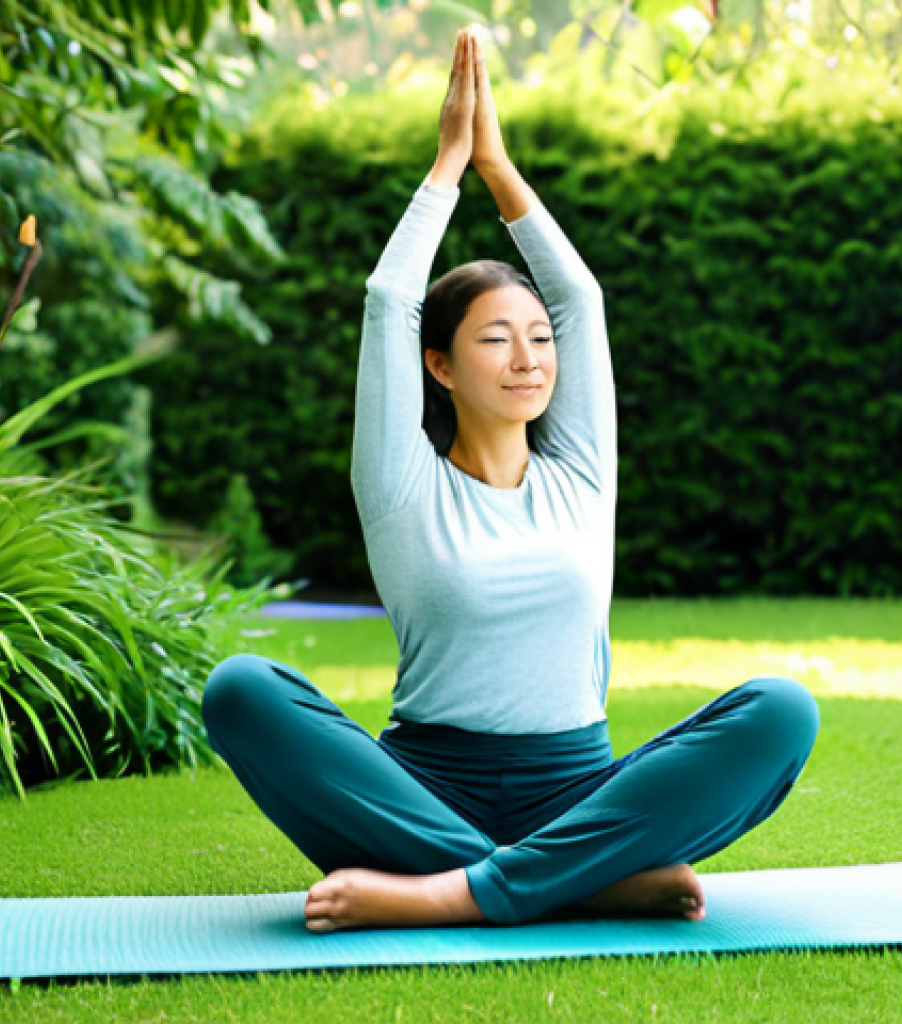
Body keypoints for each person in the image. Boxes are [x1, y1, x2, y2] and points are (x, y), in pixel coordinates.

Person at [201, 27, 820, 933]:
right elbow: (389, 302)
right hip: (420, 791)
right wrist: (449, 167)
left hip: (579, 794)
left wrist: (501, 168)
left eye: (537, 339)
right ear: (440, 367)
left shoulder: (582, 475)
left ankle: (455, 891)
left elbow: (581, 301)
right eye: (495, 339)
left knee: (782, 712)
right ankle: (577, 883)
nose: (529, 357)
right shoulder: (402, 486)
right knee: (241, 690)